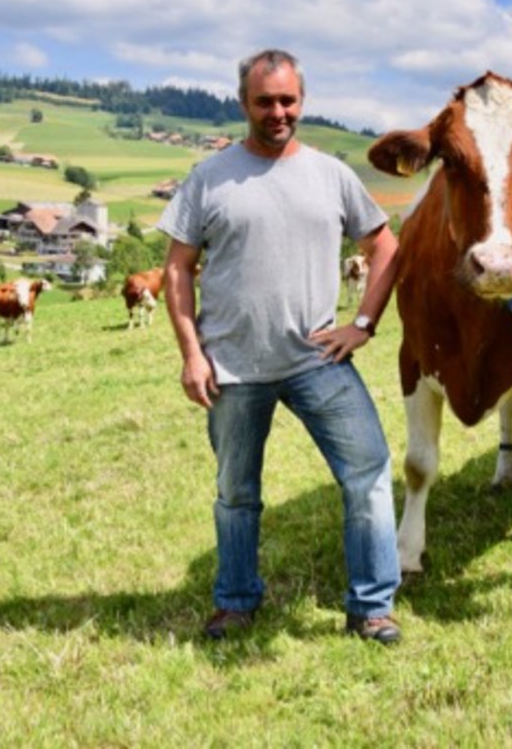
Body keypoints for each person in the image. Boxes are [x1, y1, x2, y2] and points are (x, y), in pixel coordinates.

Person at [158, 48, 404, 645]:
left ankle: (371, 606)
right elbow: (177, 269)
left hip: (318, 358)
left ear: (302, 101)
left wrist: (363, 323)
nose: (278, 111)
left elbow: (386, 249)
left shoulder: (332, 175)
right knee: (236, 495)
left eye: (288, 100)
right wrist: (192, 353)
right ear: (244, 103)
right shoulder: (209, 178)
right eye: (265, 101)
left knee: (367, 474)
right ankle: (237, 602)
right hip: (232, 367)